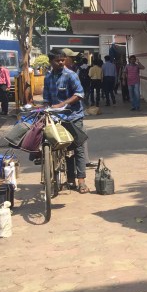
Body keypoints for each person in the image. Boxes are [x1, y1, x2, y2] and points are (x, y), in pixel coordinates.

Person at [42, 51, 89, 193]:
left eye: (63, 60)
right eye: (58, 61)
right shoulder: (48, 77)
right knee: (65, 148)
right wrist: (47, 108)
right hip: (56, 118)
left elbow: (79, 94)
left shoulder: (71, 75)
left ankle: (81, 181)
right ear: (51, 62)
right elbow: (46, 98)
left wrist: (62, 104)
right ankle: (70, 179)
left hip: (73, 116)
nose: (61, 62)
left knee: (78, 148)